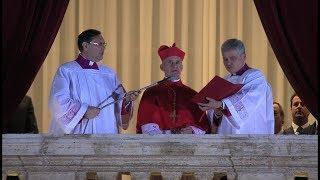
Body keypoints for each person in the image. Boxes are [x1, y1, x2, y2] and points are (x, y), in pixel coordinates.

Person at [49, 29, 139, 134]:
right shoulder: (67, 70)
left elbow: (119, 100)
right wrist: (83, 111)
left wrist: (126, 100)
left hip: (107, 131)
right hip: (79, 134)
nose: (103, 47)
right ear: (85, 46)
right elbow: (58, 101)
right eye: (99, 44)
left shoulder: (109, 74)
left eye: (104, 44)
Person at [198, 38, 274, 134]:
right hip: (225, 138)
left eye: (232, 58)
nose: (228, 63)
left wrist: (221, 104)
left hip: (251, 137)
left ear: (244, 57)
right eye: (225, 59)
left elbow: (248, 100)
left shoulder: (255, 77)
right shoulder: (224, 80)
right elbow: (216, 116)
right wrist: (215, 110)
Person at [136, 43, 211, 135]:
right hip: (158, 145)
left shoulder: (193, 94)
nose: (174, 66)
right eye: (170, 62)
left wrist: (192, 131)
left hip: (188, 145)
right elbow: (145, 123)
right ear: (162, 67)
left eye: (177, 62)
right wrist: (167, 135)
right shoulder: (151, 93)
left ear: (182, 67)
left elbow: (203, 125)